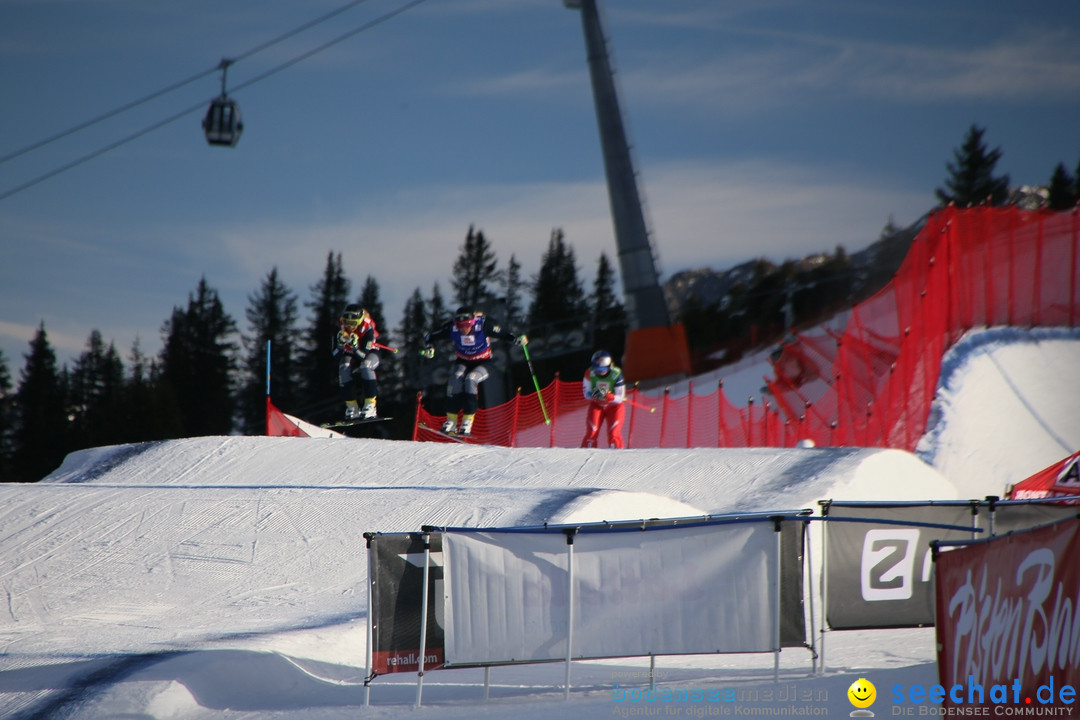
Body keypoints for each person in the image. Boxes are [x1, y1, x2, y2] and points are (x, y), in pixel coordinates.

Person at [422, 306, 527, 436]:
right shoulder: (452, 328)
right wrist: (429, 348)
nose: (463, 329)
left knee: (470, 379)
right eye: (460, 326)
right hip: (463, 361)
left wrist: (517, 339)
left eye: (466, 325)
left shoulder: (483, 326)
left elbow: (503, 333)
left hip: (484, 362)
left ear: (472, 322)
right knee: (455, 378)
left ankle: (467, 422)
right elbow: (429, 336)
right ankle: (451, 421)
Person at [334, 303, 380, 420]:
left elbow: (363, 356)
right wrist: (339, 346)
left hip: (369, 353)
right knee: (343, 367)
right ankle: (351, 407)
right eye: (346, 322)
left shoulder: (367, 329)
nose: (349, 327)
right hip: (351, 353)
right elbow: (335, 354)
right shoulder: (340, 327)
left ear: (359, 321)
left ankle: (370, 405)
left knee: (366, 366)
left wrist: (355, 347)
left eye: (353, 323)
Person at [581, 350, 626, 449]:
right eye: (598, 370)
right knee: (592, 432)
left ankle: (618, 457)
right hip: (597, 405)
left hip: (614, 407)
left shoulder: (616, 374)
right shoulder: (589, 373)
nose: (601, 372)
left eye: (603, 369)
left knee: (614, 434)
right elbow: (586, 393)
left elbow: (620, 397)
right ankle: (585, 454)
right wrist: (595, 394)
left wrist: (611, 397)